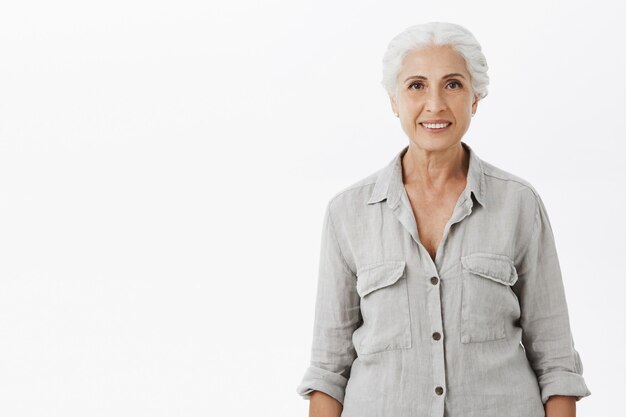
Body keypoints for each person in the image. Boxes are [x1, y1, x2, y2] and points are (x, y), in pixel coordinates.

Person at [295, 21, 591, 417]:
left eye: (452, 84)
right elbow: (329, 369)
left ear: (475, 98)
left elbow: (556, 362)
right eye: (416, 85)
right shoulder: (347, 213)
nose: (434, 103)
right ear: (394, 100)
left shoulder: (519, 204)